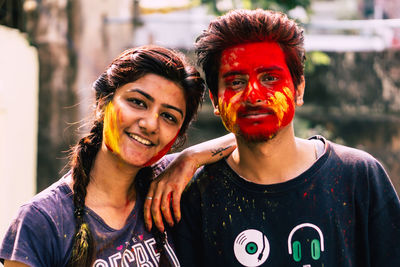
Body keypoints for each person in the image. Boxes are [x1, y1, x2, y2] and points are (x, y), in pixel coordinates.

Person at [170, 9, 400, 267]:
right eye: (235, 82)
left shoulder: (358, 176)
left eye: (270, 78)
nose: (253, 94)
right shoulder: (195, 196)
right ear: (215, 100)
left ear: (299, 88)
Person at [0, 45, 235, 267]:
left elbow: (257, 139)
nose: (150, 124)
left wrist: (191, 158)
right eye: (137, 102)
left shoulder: (170, 189)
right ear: (103, 103)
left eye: (169, 117)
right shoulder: (42, 220)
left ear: (178, 135)